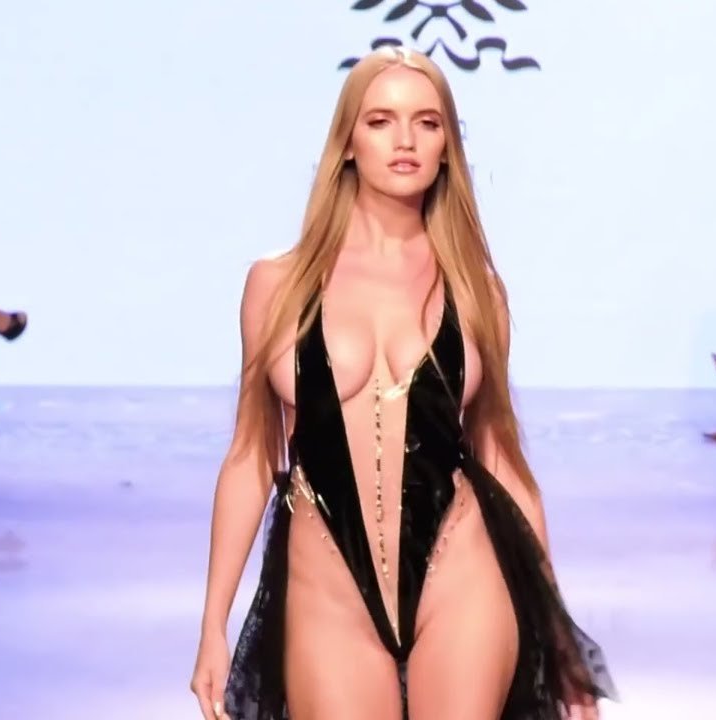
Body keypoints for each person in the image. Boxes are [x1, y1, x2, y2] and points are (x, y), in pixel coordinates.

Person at [190, 47, 614, 720]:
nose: (406, 140)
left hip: (461, 567)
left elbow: (501, 456)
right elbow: (250, 454)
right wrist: (213, 624)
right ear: (347, 143)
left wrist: (555, 626)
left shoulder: (476, 289)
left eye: (428, 122)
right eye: (381, 121)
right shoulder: (276, 284)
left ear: (448, 148)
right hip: (328, 579)